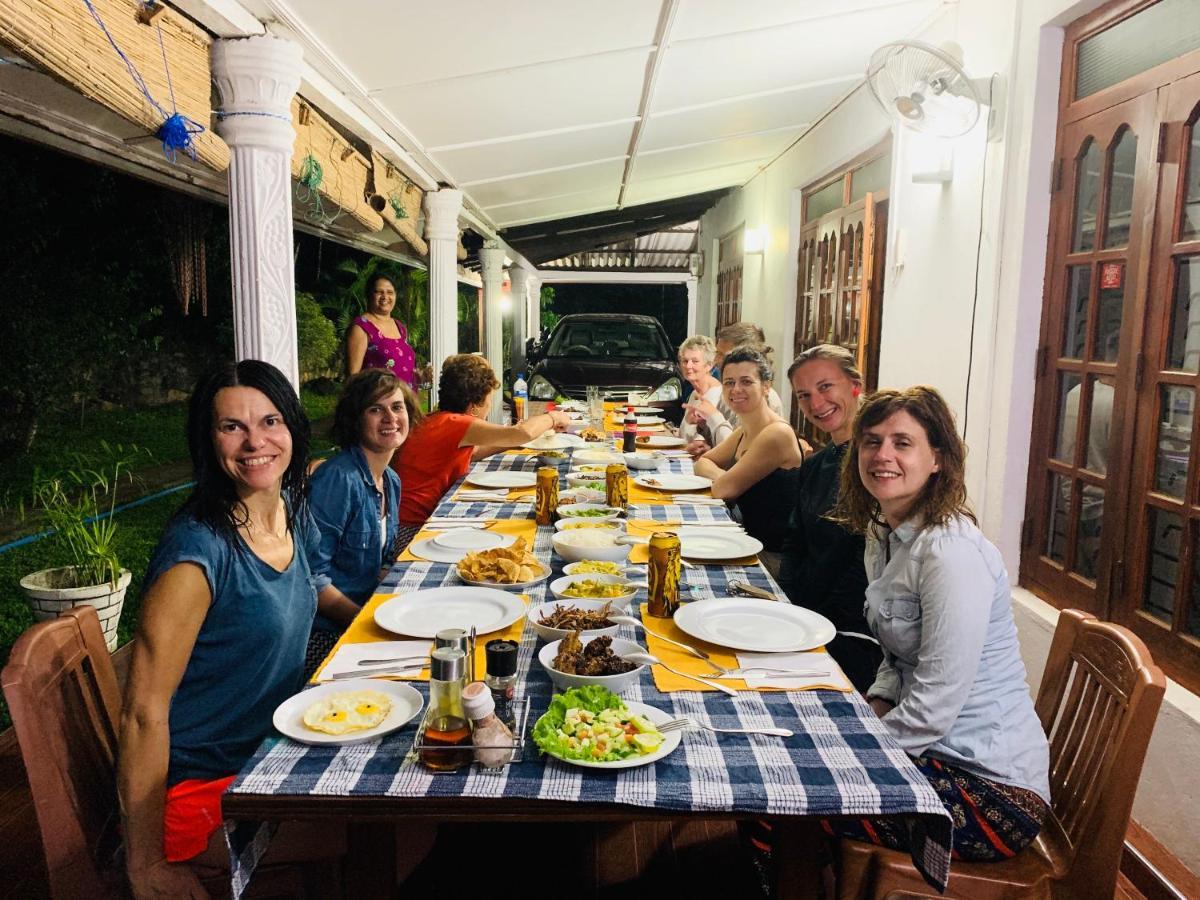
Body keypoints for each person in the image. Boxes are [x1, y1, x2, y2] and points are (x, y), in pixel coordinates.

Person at [118, 360, 320, 896]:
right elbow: (142, 714)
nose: (255, 441)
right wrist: (145, 865)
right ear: (208, 442)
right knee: (390, 819)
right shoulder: (197, 554)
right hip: (205, 788)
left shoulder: (288, 509)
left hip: (271, 754)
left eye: (270, 421)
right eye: (232, 426)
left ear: (293, 427)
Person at [829, 386, 1049, 860]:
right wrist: (878, 702)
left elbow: (936, 705)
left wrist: (852, 750)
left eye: (902, 443)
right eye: (871, 441)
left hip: (989, 791)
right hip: (928, 753)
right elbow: (894, 655)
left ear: (939, 460)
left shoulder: (950, 555)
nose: (882, 454)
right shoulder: (884, 532)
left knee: (789, 801)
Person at [776, 345, 882, 692]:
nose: (815, 403)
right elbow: (795, 541)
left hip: (850, 634)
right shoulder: (817, 464)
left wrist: (817, 625)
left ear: (855, 385)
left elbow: (863, 564)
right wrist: (788, 604)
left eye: (825, 387)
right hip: (803, 619)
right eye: (804, 395)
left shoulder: (878, 467)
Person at [305, 369, 423, 673]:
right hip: (325, 634)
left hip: (366, 611)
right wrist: (365, 621)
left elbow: (380, 564)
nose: (390, 418)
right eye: (375, 409)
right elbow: (311, 580)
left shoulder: (391, 481)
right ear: (355, 420)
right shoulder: (339, 480)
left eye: (397, 407)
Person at [394, 353, 573, 542]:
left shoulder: (438, 419)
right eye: (489, 400)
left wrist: (515, 442)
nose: (489, 406)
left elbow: (476, 452)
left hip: (406, 522)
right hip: (413, 531)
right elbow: (523, 432)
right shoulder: (457, 424)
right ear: (474, 406)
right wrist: (553, 418)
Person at [692, 346, 804, 577]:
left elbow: (723, 490)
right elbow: (702, 463)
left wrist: (727, 482)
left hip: (772, 560)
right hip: (748, 542)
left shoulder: (776, 434)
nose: (736, 390)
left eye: (746, 382)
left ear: (766, 386)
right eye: (729, 382)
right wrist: (728, 479)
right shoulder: (745, 429)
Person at [345, 273, 417, 386]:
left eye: (390, 292)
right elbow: (353, 376)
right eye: (379, 292)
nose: (385, 297)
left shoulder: (400, 327)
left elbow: (403, 370)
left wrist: (420, 377)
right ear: (369, 295)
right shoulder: (361, 327)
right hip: (377, 401)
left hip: (404, 400)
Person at [676, 335, 734, 451]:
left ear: (709, 365)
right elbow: (683, 438)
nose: (688, 366)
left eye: (695, 361)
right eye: (685, 361)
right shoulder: (694, 394)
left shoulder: (720, 395)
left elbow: (726, 444)